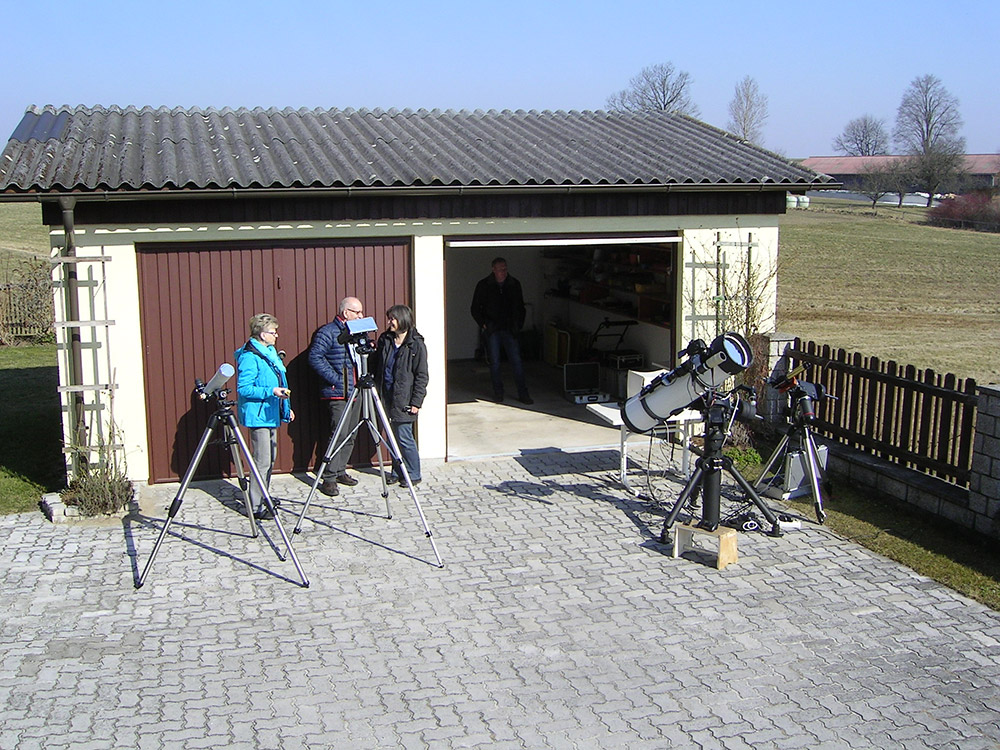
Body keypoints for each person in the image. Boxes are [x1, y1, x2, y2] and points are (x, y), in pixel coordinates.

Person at [235, 313, 294, 520]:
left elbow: (281, 381)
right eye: (273, 332)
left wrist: (286, 407)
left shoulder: (270, 352)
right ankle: (256, 505)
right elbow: (244, 388)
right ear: (261, 334)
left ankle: (263, 496)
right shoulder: (250, 357)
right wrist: (271, 391)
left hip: (270, 413)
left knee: (270, 459)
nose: (276, 335)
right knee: (261, 460)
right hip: (258, 415)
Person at [308, 296, 365, 496]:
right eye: (357, 312)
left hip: (357, 389)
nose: (361, 316)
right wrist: (336, 378)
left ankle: (341, 470)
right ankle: (329, 478)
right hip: (338, 391)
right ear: (345, 312)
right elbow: (315, 356)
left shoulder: (358, 331)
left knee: (351, 432)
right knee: (338, 433)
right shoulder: (328, 332)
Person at [372, 304, 429, 485]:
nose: (390, 322)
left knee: (404, 436)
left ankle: (413, 473)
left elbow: (422, 376)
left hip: (404, 399)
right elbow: (379, 364)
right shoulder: (386, 339)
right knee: (393, 436)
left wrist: (416, 402)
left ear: (403, 320)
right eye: (389, 318)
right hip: (387, 395)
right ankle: (397, 471)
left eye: (393, 319)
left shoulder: (416, 344)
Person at [471, 256, 532, 404]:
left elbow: (520, 307)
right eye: (500, 269)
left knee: (516, 362)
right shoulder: (484, 285)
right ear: (493, 270)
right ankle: (498, 393)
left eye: (505, 269)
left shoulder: (514, 284)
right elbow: (474, 308)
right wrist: (484, 324)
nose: (504, 272)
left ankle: (523, 394)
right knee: (495, 363)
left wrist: (518, 325)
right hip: (493, 329)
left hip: (510, 329)